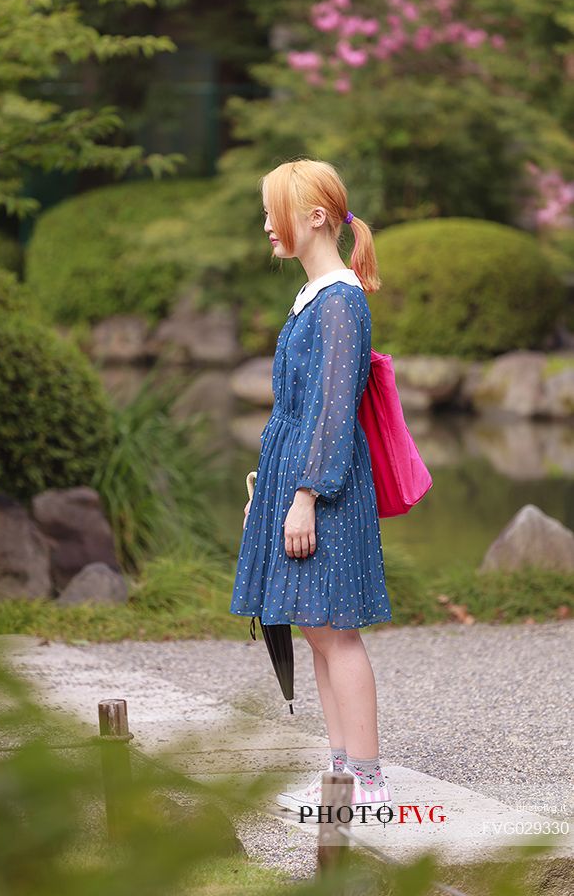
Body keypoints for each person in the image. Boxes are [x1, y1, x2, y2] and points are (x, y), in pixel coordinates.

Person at [229, 158, 393, 819]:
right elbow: (301, 411)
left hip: (321, 489)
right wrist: (266, 492)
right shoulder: (316, 298)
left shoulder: (340, 302)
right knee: (317, 630)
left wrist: (305, 494)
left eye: (273, 212)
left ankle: (368, 779)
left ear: (314, 218)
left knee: (335, 631)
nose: (266, 225)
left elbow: (332, 408)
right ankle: (339, 776)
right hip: (295, 481)